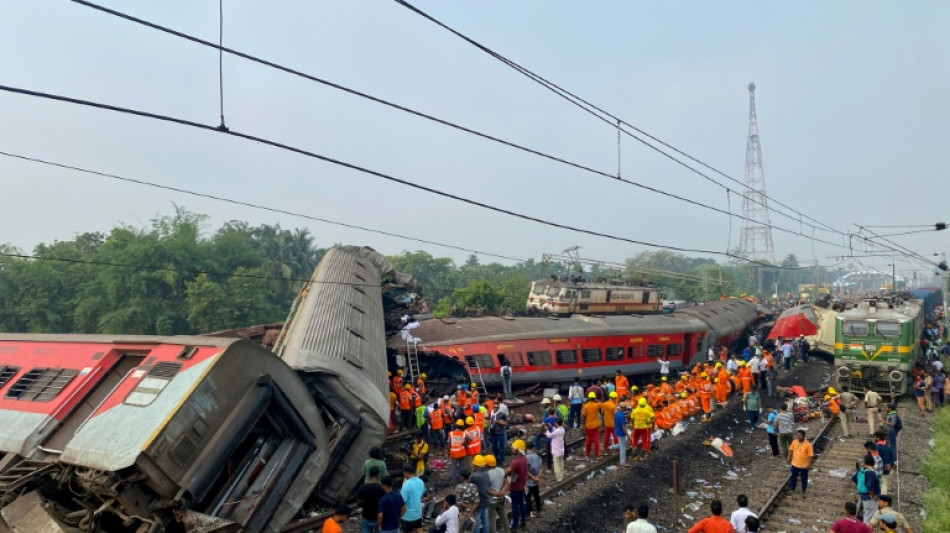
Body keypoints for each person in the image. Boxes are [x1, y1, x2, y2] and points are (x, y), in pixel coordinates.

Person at [507, 439, 528, 530]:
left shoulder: (516, 462)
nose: (512, 449)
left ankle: (514, 526)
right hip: (521, 486)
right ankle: (523, 522)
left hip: (515, 488)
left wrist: (504, 473)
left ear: (518, 450)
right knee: (522, 505)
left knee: (515, 507)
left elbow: (508, 471)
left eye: (514, 448)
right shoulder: (524, 459)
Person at [485, 455, 511, 533]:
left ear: (486, 464)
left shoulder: (487, 474)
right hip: (501, 498)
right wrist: (501, 492)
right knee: (503, 515)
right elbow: (507, 483)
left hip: (491, 499)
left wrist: (496, 494)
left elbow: (487, 490)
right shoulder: (501, 470)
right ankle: (508, 531)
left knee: (492, 519)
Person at [852, 455, 880, 524]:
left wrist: (860, 485)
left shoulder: (861, 470)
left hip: (863, 496)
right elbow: (869, 486)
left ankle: (864, 526)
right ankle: (866, 528)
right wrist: (873, 496)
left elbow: (853, 478)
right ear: (873, 463)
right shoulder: (871, 473)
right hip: (870, 498)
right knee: (870, 517)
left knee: (866, 514)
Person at [357, 466, 385, 533]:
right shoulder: (382, 488)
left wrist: (363, 504)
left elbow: (358, 502)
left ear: (369, 475)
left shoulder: (363, 487)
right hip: (378, 517)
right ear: (378, 475)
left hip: (366, 516)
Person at [787, 429, 812, 497]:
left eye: (800, 436)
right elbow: (790, 449)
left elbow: (810, 455)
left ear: (803, 436)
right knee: (793, 477)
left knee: (804, 479)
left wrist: (809, 464)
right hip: (794, 464)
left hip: (804, 466)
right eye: (797, 435)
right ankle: (792, 489)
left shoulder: (808, 445)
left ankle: (804, 491)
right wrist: (789, 457)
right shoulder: (794, 442)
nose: (798, 437)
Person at [470, 455, 492, 533]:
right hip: (485, 500)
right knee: (485, 520)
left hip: (477, 502)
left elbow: (470, 489)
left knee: (476, 521)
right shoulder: (486, 474)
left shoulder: (473, 476)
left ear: (476, 465)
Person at [401, 464, 426, 533]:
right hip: (418, 512)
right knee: (419, 529)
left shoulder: (406, 484)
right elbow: (421, 496)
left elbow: (402, 501)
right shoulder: (421, 482)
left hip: (408, 515)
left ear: (406, 472)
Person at [582, 392, 602, 460]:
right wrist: (596, 401)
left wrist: (583, 425)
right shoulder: (597, 405)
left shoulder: (585, 406)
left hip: (588, 426)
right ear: (594, 398)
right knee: (596, 440)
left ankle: (587, 454)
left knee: (588, 440)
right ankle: (597, 455)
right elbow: (602, 404)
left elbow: (583, 416)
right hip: (595, 426)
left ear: (588, 398)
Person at [524, 442, 542, 518]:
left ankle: (527, 514)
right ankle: (538, 511)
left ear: (525, 448)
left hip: (528, 481)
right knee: (536, 496)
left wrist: (532, 477)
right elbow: (541, 468)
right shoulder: (537, 456)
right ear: (532, 447)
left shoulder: (526, 458)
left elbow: (526, 470)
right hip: (536, 481)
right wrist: (537, 477)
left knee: (527, 498)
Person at [874, 431, 895, 495]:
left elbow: (877, 458)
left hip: (879, 469)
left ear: (878, 438)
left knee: (879, 483)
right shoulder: (888, 447)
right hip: (887, 468)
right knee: (884, 483)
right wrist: (889, 465)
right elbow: (892, 458)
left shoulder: (877, 447)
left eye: (875, 437)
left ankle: (880, 497)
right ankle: (884, 496)